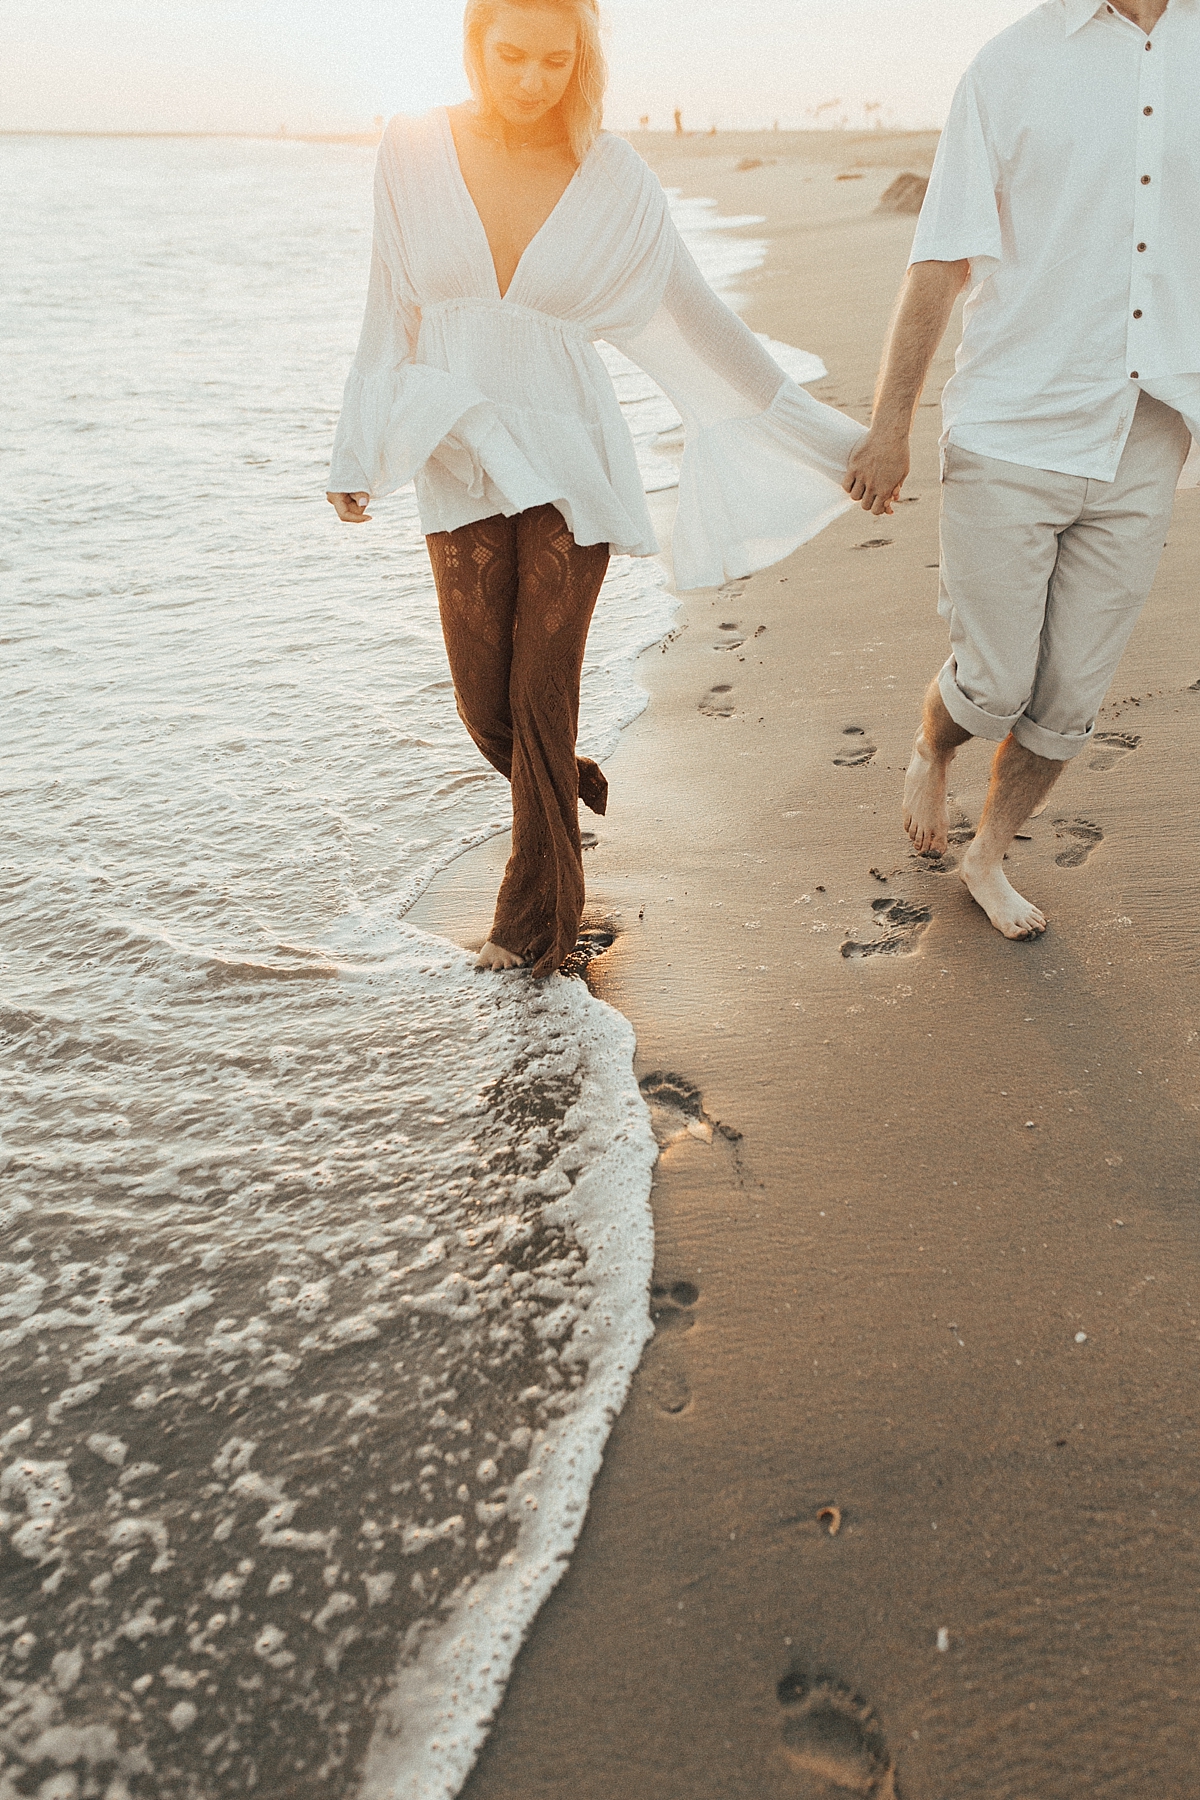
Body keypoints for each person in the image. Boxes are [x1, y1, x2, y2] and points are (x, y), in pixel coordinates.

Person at [327, 0, 865, 975]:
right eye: (513, 55)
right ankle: (564, 782)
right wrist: (355, 449)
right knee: (485, 709)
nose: (532, 77)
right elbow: (388, 304)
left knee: (540, 694)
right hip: (458, 455)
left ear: (581, 61)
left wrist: (834, 443)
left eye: (554, 59)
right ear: (476, 46)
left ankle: (533, 929)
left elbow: (701, 325)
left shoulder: (610, 175)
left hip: (575, 459)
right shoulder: (411, 148)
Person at [845, 0, 1198, 940]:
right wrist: (891, 423)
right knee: (997, 684)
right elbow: (940, 258)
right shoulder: (1010, 65)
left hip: (1149, 427)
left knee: (1072, 695)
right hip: (1014, 425)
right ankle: (933, 741)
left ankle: (988, 856)